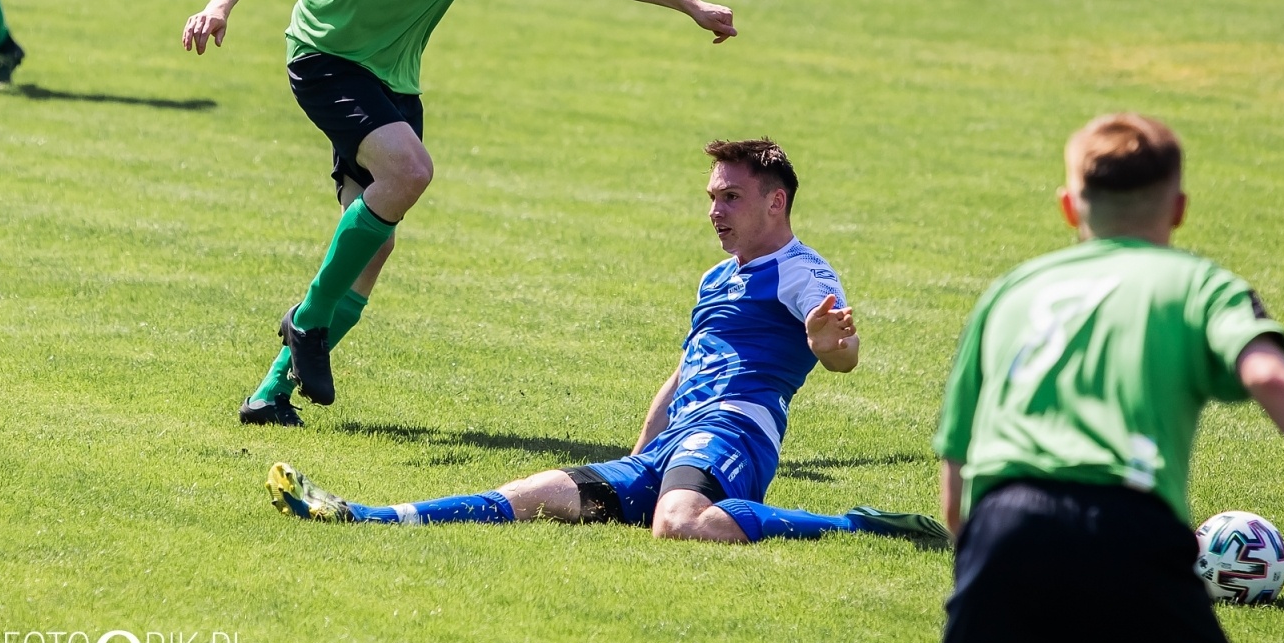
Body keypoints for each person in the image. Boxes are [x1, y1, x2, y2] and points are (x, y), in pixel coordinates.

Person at [183, 0, 738, 427]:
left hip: (395, 80)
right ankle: (307, 322)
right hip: (324, 57)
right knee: (410, 171)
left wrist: (687, 4)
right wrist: (220, 4)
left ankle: (270, 393)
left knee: (373, 247)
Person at [934, 114, 1284, 643]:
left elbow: (956, 485)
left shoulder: (1009, 293)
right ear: (1179, 209)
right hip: (1129, 528)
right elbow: (1272, 378)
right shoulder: (1201, 286)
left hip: (1006, 531)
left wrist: (992, 570)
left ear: (1068, 206)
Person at [266, 138, 950, 548]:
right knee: (537, 495)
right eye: (711, 196)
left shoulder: (802, 272)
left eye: (731, 198)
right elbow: (684, 370)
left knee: (678, 526)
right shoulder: (718, 276)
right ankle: (369, 516)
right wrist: (640, 453)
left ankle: (858, 525)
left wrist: (829, 345)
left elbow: (841, 352)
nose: (714, 211)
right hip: (674, 441)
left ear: (776, 202)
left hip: (732, 436)